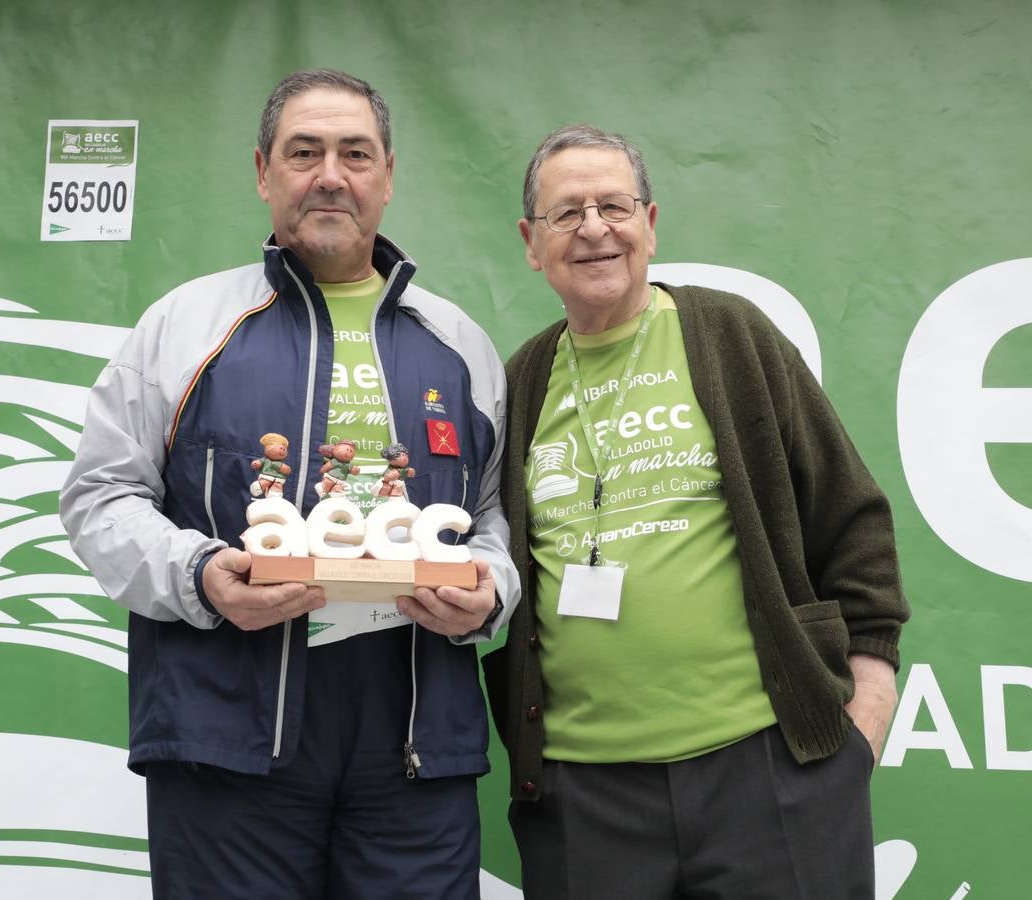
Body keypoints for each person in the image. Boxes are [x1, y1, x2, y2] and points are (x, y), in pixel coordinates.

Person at [60, 69, 517, 899]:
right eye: (304, 153)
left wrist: (493, 594)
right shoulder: (183, 326)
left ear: (388, 176)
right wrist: (199, 576)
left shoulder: (459, 344)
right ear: (264, 173)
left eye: (355, 153)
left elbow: (491, 519)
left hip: (415, 733)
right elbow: (100, 496)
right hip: (226, 728)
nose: (330, 174)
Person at [482, 124, 910, 899]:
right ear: (530, 242)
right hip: (583, 799)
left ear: (649, 223)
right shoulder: (521, 381)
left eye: (614, 205)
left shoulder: (730, 335)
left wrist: (862, 723)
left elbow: (854, 522)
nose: (593, 229)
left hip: (771, 772)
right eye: (566, 212)